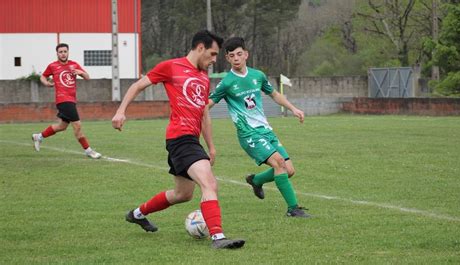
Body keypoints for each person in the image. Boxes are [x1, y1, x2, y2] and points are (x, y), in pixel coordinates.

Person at [111, 30, 245, 249]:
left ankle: (137, 213)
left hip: (190, 140)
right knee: (209, 183)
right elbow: (137, 85)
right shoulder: (171, 67)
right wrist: (120, 111)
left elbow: (204, 114)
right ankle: (218, 237)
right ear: (200, 47)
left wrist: (211, 146)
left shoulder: (203, 78)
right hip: (180, 138)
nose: (214, 60)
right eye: (212, 54)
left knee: (183, 194)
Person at [207, 37, 311, 218]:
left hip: (265, 129)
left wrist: (293, 108)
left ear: (246, 54)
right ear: (228, 59)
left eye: (239, 54)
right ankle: (293, 209)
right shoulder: (227, 83)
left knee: (289, 170)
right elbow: (207, 104)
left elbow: (274, 94)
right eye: (232, 56)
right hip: (248, 133)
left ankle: (256, 180)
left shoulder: (258, 75)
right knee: (279, 163)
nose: (237, 58)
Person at [32, 43, 101, 159]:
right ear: (57, 53)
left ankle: (38, 137)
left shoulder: (74, 65)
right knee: (77, 125)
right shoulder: (53, 66)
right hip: (63, 99)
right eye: (61, 52)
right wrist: (47, 83)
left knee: (62, 126)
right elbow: (42, 76)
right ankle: (89, 151)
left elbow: (87, 77)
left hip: (72, 100)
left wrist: (81, 73)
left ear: (68, 52)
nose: (63, 54)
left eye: (65, 51)